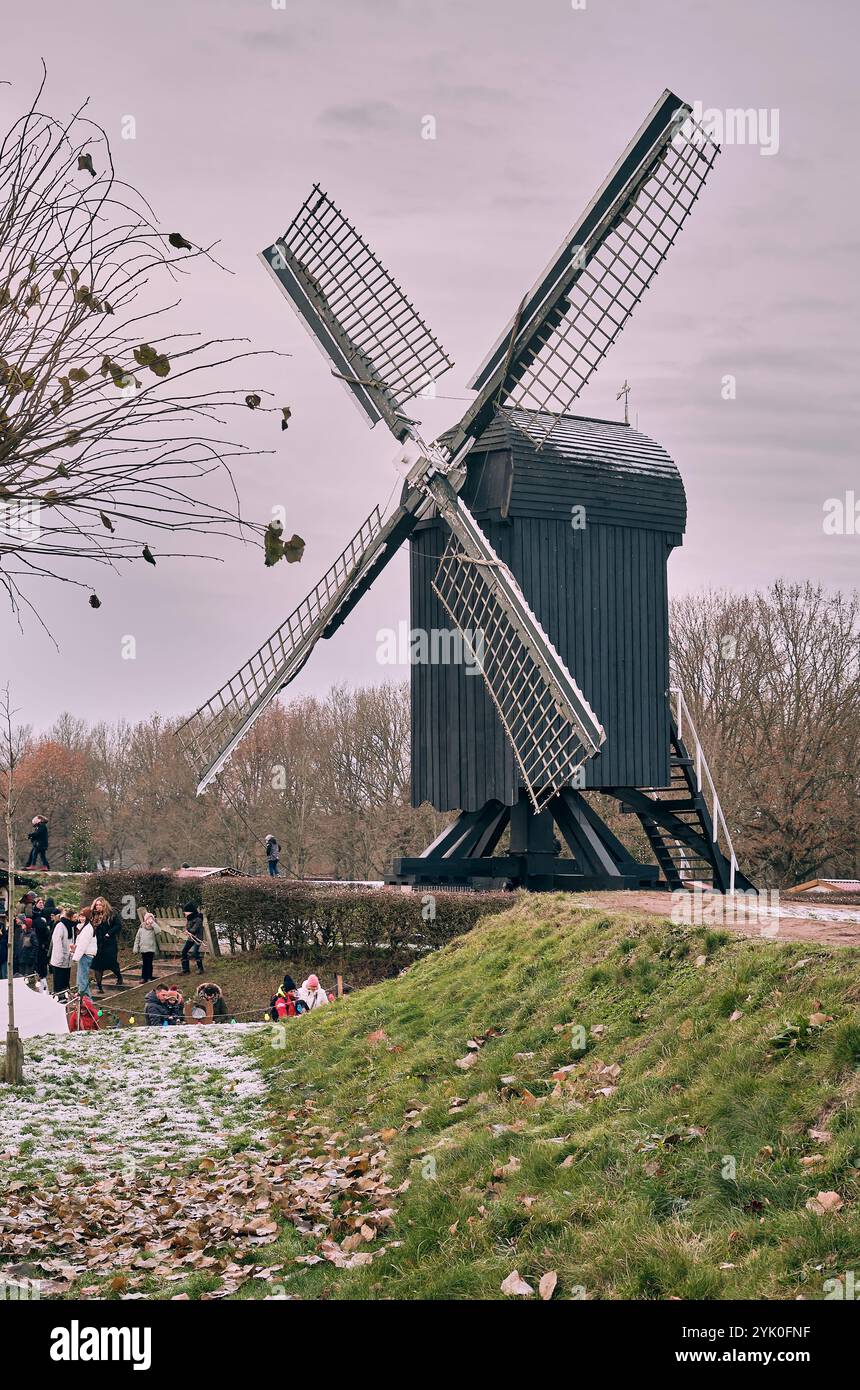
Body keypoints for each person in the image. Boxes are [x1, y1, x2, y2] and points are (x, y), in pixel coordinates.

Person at [91, 896, 124, 994]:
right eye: (96, 905)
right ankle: (99, 987)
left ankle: (119, 976)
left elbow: (118, 925)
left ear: (104, 905)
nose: (98, 907)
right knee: (97, 966)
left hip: (109, 943)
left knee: (112, 963)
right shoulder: (93, 915)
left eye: (100, 905)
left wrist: (109, 933)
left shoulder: (111, 913)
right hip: (97, 944)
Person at [71, 907, 98, 998]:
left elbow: (83, 945)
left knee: (82, 979)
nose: (81, 918)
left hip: (85, 955)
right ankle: (81, 998)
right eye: (80, 916)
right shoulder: (84, 927)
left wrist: (75, 957)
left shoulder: (87, 928)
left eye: (84, 917)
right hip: (84, 955)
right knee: (80, 979)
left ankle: (86, 1000)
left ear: (88, 918)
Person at [49, 906, 75, 994]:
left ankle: (65, 997)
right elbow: (57, 942)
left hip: (67, 960)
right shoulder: (60, 926)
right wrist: (59, 958)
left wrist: (71, 953)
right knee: (58, 984)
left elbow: (72, 941)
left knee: (65, 983)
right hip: (59, 961)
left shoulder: (71, 926)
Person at [180, 902, 205, 975]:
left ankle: (200, 969)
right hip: (191, 938)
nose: (185, 913)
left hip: (197, 938)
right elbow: (187, 928)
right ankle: (186, 970)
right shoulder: (189, 918)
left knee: (195, 953)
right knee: (184, 951)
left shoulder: (198, 919)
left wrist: (189, 931)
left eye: (186, 911)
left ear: (191, 911)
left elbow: (194, 929)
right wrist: (185, 931)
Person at [133, 912, 158, 984]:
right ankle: (144, 977)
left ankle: (149, 977)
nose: (149, 920)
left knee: (149, 963)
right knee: (144, 964)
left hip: (151, 949)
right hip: (143, 949)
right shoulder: (141, 929)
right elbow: (137, 939)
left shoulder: (153, 929)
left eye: (151, 919)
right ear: (145, 920)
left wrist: (153, 923)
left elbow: (159, 931)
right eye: (148, 919)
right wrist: (135, 948)